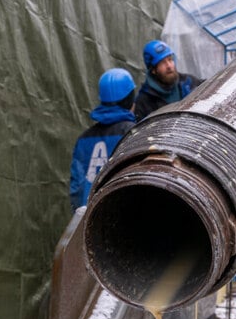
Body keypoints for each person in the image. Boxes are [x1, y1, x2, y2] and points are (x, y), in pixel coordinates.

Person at [69, 68, 136, 209]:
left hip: (87, 216)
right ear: (130, 99)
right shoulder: (133, 133)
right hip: (121, 216)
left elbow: (76, 188)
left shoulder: (83, 139)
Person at [134, 40, 203, 121]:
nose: (169, 66)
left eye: (170, 59)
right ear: (153, 70)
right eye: (163, 63)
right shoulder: (144, 101)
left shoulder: (189, 82)